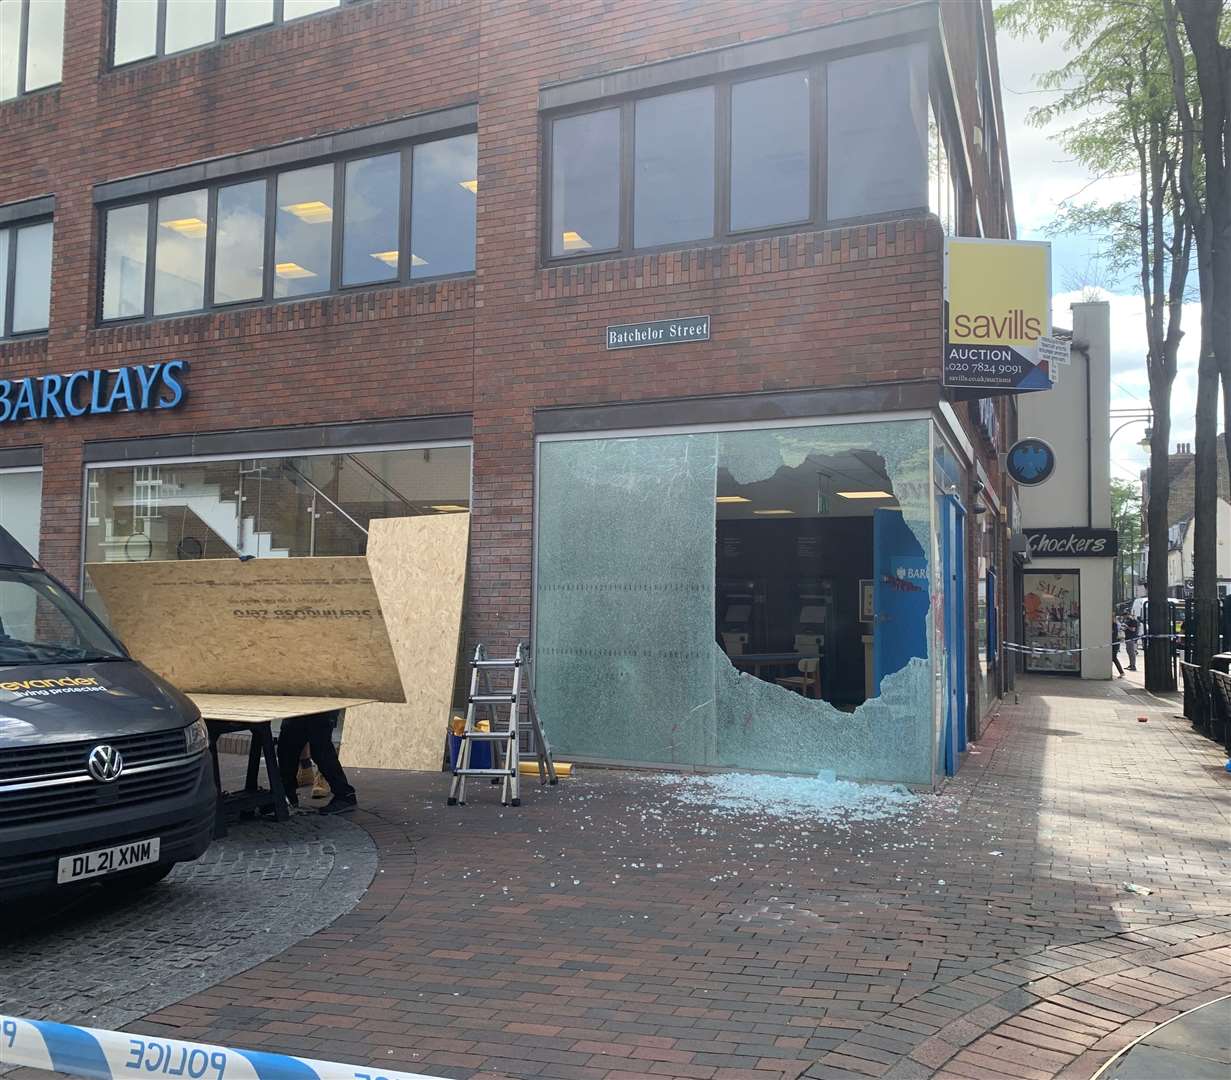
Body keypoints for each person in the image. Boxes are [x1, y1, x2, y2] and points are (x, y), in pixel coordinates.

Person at [276, 712, 357, 815]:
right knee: (288, 746)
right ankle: (287, 796)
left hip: (321, 706)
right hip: (301, 706)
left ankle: (345, 795)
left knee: (320, 748)